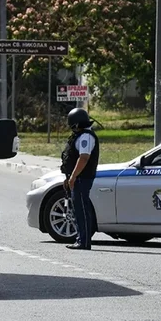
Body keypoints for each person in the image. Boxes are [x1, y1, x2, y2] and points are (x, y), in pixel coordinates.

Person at [60, 107, 100, 250]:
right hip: (78, 178)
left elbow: (84, 158)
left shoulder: (86, 137)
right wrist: (69, 176)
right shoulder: (82, 135)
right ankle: (81, 239)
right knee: (79, 209)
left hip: (82, 178)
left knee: (82, 210)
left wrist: (74, 177)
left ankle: (84, 241)